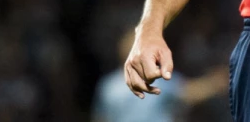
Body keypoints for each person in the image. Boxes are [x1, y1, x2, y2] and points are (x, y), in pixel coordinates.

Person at [93, 28, 228, 122]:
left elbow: (101, 118)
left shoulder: (108, 86)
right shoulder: (155, 79)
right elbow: (188, 93)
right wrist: (214, 83)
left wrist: (213, 83)